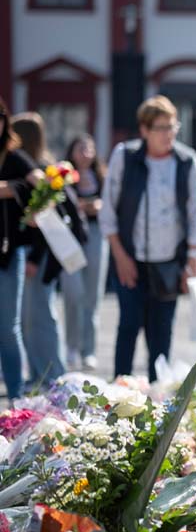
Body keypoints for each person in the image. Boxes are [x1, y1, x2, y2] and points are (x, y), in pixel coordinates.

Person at [99, 95, 196, 381]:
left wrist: (194, 258)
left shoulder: (187, 160)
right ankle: (120, 394)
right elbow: (108, 210)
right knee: (128, 326)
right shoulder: (125, 156)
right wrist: (120, 256)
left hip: (169, 260)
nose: (169, 134)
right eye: (161, 128)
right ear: (145, 130)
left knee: (162, 332)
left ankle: (158, 400)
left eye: (172, 127)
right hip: (130, 257)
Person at [13, 113, 80, 387]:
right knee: (31, 317)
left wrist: (33, 257)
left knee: (41, 316)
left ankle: (53, 373)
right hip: (38, 255)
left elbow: (45, 222)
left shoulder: (40, 171)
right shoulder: (41, 168)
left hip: (39, 256)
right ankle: (40, 372)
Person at [0, 97, 42, 400]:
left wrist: (12, 188)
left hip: (8, 251)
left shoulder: (14, 157)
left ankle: (15, 392)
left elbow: (41, 183)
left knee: (8, 326)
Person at [60, 134, 108, 371]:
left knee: (92, 294)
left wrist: (98, 206)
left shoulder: (102, 176)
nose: (86, 153)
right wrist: (78, 205)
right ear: (72, 151)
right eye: (81, 148)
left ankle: (88, 350)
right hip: (71, 237)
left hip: (97, 234)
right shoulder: (64, 177)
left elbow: (111, 203)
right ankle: (71, 345)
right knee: (72, 293)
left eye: (89, 148)